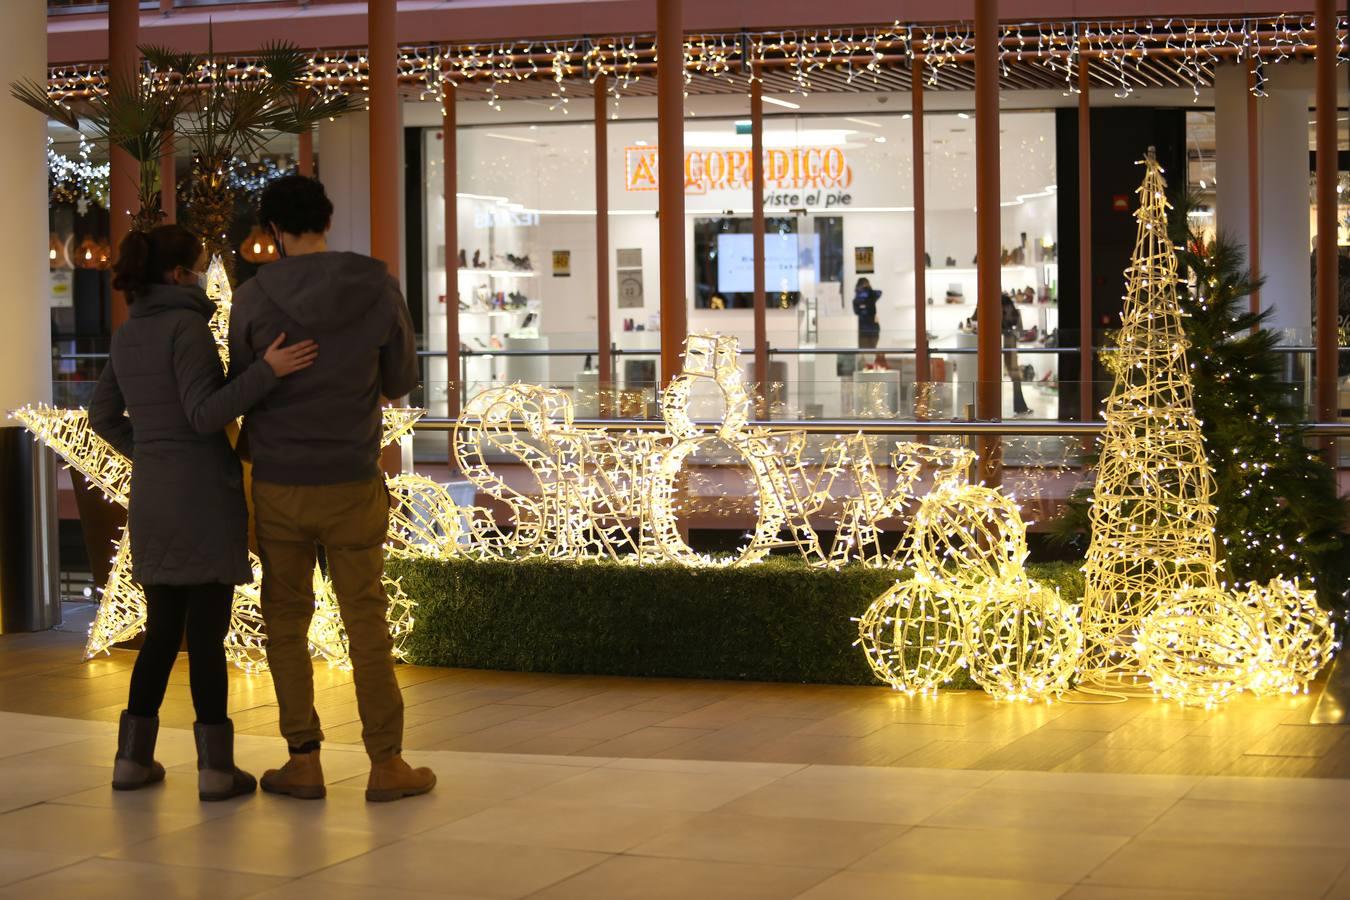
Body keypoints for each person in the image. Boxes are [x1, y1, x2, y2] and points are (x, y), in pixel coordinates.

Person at [89, 224, 317, 801]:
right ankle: (216, 769)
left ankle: (131, 761)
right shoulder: (186, 327)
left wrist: (151, 454)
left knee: (163, 630)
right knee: (208, 635)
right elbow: (203, 412)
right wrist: (269, 370)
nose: (202, 274)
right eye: (196, 265)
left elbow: (103, 417)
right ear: (176, 275)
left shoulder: (128, 331)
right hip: (201, 495)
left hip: (155, 497)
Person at [228, 175, 434, 803]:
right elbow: (400, 380)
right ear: (328, 218)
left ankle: (304, 760)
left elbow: (242, 383)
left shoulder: (255, 296)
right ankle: (388, 764)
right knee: (366, 620)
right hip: (351, 478)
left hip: (280, 483)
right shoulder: (376, 283)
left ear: (272, 233)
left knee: (286, 621)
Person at [1001, 293, 1032, 417]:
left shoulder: (1015, 315)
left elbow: (1020, 332)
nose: (1006, 308)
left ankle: (1020, 407)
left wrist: (1012, 332)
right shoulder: (1002, 315)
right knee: (1014, 376)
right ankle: (1020, 407)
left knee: (1015, 376)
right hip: (1006, 346)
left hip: (1010, 347)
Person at [852, 277, 882, 350]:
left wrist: (867, 291)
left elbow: (879, 292)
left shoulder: (870, 296)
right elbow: (857, 310)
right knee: (866, 352)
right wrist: (867, 290)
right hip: (866, 329)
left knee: (868, 352)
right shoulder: (859, 298)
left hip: (870, 328)